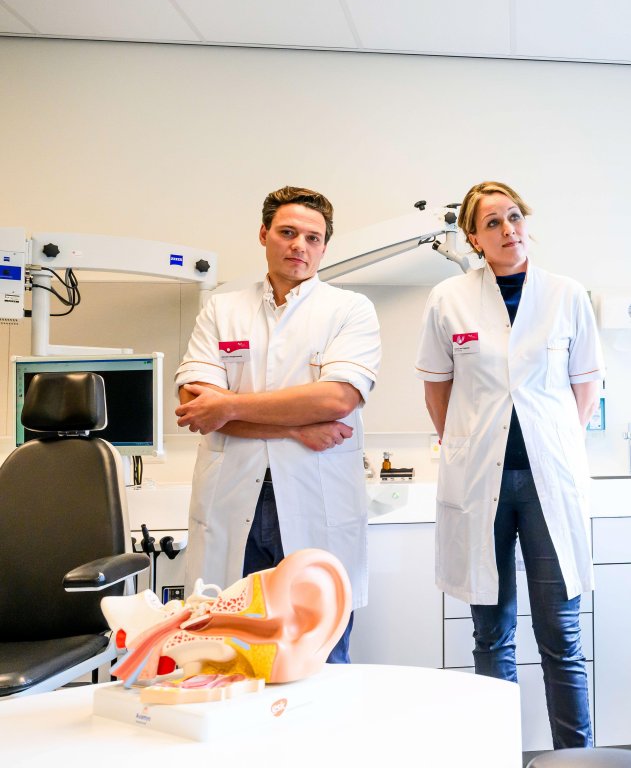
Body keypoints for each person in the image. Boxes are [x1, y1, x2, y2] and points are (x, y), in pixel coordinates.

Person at [415, 181, 603, 749]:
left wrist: (556, 444)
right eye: (491, 222)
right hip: (481, 485)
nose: (507, 230)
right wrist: (469, 446)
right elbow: (437, 389)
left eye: (514, 217)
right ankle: (496, 755)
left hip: (548, 485)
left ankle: (577, 761)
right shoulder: (449, 299)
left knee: (560, 635)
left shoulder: (566, 294)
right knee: (491, 635)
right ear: (472, 237)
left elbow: (585, 384)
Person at [175, 186, 381, 664]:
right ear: (264, 234)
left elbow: (338, 397)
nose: (299, 246)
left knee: (321, 658)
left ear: (325, 246)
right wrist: (293, 425)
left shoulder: (349, 311)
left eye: (313, 238)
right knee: (226, 657)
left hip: (315, 501)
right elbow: (196, 407)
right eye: (288, 233)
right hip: (234, 500)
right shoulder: (223, 310)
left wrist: (230, 406)